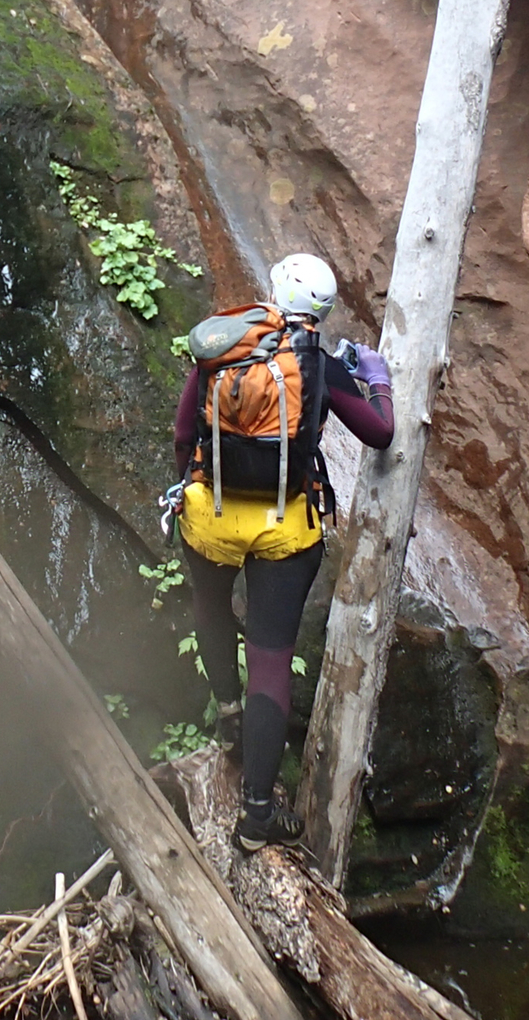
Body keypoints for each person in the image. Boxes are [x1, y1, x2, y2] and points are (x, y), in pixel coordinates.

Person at [172, 253, 393, 851]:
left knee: (212, 611)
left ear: (273, 291)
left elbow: (182, 434)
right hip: (282, 530)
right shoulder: (318, 364)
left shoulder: (222, 344)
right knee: (269, 661)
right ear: (322, 310)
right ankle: (257, 817)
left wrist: (197, 486)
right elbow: (379, 432)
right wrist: (376, 379)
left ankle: (226, 718)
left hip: (209, 516)